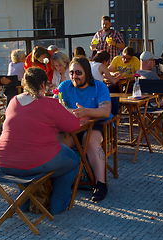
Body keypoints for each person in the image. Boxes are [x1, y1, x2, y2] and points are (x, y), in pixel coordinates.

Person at [0, 67, 80, 215]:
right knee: (71, 161)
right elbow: (74, 126)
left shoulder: (13, 101)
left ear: (24, 84)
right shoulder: (50, 103)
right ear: (43, 84)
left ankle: (24, 203)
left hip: (1, 161)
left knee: (25, 159)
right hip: (32, 162)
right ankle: (58, 205)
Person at [57, 56, 112, 202]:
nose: (74, 76)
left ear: (87, 72)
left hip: (97, 124)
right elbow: (57, 108)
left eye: (78, 72)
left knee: (91, 141)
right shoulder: (64, 86)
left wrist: (86, 112)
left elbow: (106, 111)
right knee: (56, 143)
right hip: (73, 126)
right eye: (71, 72)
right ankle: (60, 180)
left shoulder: (100, 86)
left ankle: (101, 183)